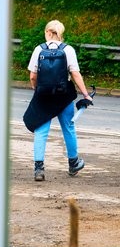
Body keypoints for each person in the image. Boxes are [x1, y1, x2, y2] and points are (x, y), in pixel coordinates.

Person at [24, 20, 92, 181]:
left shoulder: (38, 49)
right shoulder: (68, 50)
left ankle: (39, 169)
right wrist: (86, 94)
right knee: (68, 127)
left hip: (43, 95)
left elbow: (33, 76)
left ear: (47, 32)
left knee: (41, 130)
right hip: (63, 96)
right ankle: (73, 163)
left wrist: (36, 89)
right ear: (61, 33)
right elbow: (75, 74)